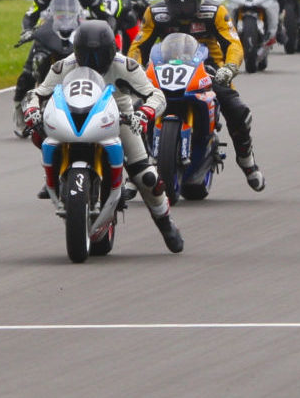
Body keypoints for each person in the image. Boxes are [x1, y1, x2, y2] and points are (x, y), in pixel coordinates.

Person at [22, 20, 184, 252]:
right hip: (75, 115)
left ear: (111, 50)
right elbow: (38, 92)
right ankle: (58, 173)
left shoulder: (125, 66)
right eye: (87, 56)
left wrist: (145, 113)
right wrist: (31, 110)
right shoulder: (64, 66)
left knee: (147, 177)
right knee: (40, 134)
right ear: (77, 52)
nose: (93, 62)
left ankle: (166, 223)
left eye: (99, 55)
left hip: (119, 119)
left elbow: (156, 95)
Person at [127, 0, 264, 192]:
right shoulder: (155, 13)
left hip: (209, 68)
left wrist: (229, 68)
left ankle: (246, 159)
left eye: (188, 5)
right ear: (167, 2)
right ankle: (137, 169)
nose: (183, 12)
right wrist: (136, 71)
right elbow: (138, 46)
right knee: (133, 112)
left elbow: (234, 43)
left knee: (236, 109)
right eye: (177, 6)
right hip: (165, 68)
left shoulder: (215, 12)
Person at [16, 0, 114, 101]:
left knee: (101, 68)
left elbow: (106, 16)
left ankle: (102, 101)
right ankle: (20, 110)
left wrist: (106, 32)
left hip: (79, 35)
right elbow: (30, 14)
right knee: (28, 73)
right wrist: (27, 30)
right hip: (50, 34)